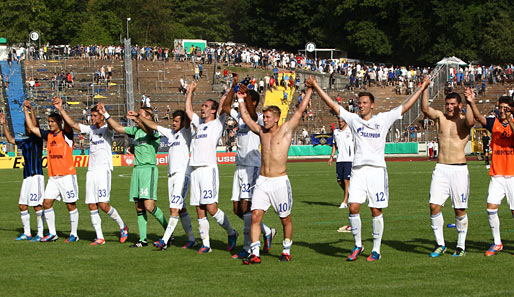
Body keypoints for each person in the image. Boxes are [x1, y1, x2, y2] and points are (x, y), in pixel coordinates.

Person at [309, 75, 428, 262]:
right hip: (358, 170)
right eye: (359, 103)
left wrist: (422, 88)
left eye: (364, 102)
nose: (360, 105)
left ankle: (376, 249)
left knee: (375, 210)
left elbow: (406, 106)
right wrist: (316, 85)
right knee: (353, 207)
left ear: (372, 105)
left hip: (376, 171)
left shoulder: (383, 119)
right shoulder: (354, 120)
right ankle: (358, 245)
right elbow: (333, 106)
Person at [238, 79, 313, 265]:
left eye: (268, 117)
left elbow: (300, 111)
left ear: (277, 118)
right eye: (264, 117)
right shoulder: (262, 132)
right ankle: (255, 253)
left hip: (279, 182)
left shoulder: (286, 130)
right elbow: (247, 119)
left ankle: (286, 250)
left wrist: (310, 90)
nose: (265, 120)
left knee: (285, 219)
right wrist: (240, 100)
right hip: (262, 181)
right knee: (255, 215)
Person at [53, 98, 128, 245]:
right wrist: (61, 109)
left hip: (103, 171)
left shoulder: (107, 129)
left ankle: (122, 226)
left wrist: (105, 113)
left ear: (100, 116)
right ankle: (100, 237)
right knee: (91, 205)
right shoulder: (91, 130)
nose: (91, 118)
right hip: (91, 172)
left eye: (94, 116)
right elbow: (73, 124)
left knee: (104, 205)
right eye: (91, 115)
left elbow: (115, 126)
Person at [221, 75, 276, 259]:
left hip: (252, 166)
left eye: (245, 99)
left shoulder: (258, 118)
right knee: (237, 209)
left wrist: (244, 99)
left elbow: (251, 114)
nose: (240, 101)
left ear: (252, 101)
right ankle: (267, 231)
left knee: (246, 208)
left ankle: (246, 248)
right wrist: (233, 87)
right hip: (239, 166)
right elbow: (226, 107)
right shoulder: (241, 116)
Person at [99, 104, 168, 248]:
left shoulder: (153, 130)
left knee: (149, 206)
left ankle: (169, 232)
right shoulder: (136, 130)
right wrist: (105, 114)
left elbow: (148, 129)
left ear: (148, 117)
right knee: (139, 206)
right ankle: (142, 240)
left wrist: (137, 118)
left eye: (141, 114)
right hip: (137, 170)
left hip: (148, 169)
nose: (138, 116)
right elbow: (118, 128)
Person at [421, 82, 474, 257]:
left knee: (459, 209)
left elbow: (471, 121)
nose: (450, 107)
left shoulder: (464, 121)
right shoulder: (441, 118)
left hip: (458, 169)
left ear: (459, 105)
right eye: (447, 104)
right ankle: (440, 244)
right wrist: (425, 87)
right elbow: (426, 109)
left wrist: (469, 101)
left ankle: (460, 246)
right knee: (434, 205)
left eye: (453, 104)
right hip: (441, 168)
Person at [185, 81, 238, 254]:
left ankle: (231, 232)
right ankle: (206, 244)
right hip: (195, 170)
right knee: (199, 209)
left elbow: (224, 103)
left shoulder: (217, 123)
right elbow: (188, 110)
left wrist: (233, 86)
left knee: (211, 208)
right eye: (202, 106)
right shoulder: (199, 123)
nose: (202, 108)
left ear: (213, 110)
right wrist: (190, 91)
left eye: (206, 106)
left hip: (208, 169)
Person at [137, 109, 197, 251]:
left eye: (176, 121)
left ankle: (164, 240)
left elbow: (188, 117)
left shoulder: (186, 132)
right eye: (173, 121)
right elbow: (154, 126)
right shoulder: (171, 133)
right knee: (181, 209)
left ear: (183, 122)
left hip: (182, 175)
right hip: (171, 176)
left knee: (174, 208)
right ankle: (192, 240)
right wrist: (139, 118)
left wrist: (189, 94)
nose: (173, 123)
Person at [24, 99, 80, 243]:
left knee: (70, 205)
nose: (49, 124)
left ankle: (74, 234)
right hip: (53, 177)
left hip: (67, 176)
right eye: (49, 122)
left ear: (59, 123)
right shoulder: (48, 135)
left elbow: (69, 124)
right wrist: (27, 110)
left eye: (52, 122)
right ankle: (53, 233)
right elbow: (31, 127)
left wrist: (60, 109)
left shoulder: (66, 134)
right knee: (46, 203)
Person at [466, 90, 514, 256]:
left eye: (506, 108)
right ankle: (497, 242)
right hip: (497, 174)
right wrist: (472, 102)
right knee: (491, 207)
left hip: (512, 175)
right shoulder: (494, 123)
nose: (502, 111)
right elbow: (480, 118)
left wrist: (510, 119)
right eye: (501, 107)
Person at [1, 110, 44, 241]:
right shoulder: (24, 142)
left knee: (36, 205)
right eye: (26, 127)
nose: (27, 129)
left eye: (29, 127)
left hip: (36, 176)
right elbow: (10, 139)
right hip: (26, 177)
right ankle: (27, 232)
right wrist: (3, 124)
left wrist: (29, 111)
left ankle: (41, 233)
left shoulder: (38, 139)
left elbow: (34, 124)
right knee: (22, 205)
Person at [329, 118, 354, 233]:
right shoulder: (336, 132)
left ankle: (345, 201)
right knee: (339, 181)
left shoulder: (351, 131)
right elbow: (334, 145)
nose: (340, 123)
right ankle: (350, 194)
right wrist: (331, 156)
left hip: (349, 159)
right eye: (339, 121)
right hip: (340, 159)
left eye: (342, 121)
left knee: (346, 180)